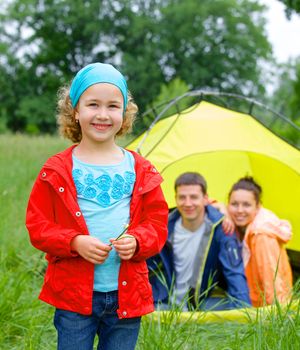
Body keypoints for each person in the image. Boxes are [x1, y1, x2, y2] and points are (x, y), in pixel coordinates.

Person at [25, 62, 169, 350]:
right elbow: (38, 226)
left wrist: (137, 241)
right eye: (93, 104)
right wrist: (74, 241)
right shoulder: (57, 170)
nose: (103, 115)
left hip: (126, 296)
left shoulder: (141, 169)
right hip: (74, 296)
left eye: (113, 106)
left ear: (125, 113)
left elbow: (157, 224)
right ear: (76, 111)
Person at [148, 172, 251, 311]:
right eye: (182, 197)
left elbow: (234, 273)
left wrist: (244, 312)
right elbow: (146, 266)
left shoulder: (222, 229)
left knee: (223, 308)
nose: (188, 203)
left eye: (194, 197)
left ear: (206, 198)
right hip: (165, 303)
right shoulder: (164, 227)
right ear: (175, 199)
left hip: (200, 304)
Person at [227, 176, 293, 307]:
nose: (240, 210)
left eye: (246, 205)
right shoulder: (248, 225)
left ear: (257, 207)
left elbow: (271, 280)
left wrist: (277, 317)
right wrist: (221, 209)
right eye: (234, 204)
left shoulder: (261, 235)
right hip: (254, 301)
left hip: (262, 309)